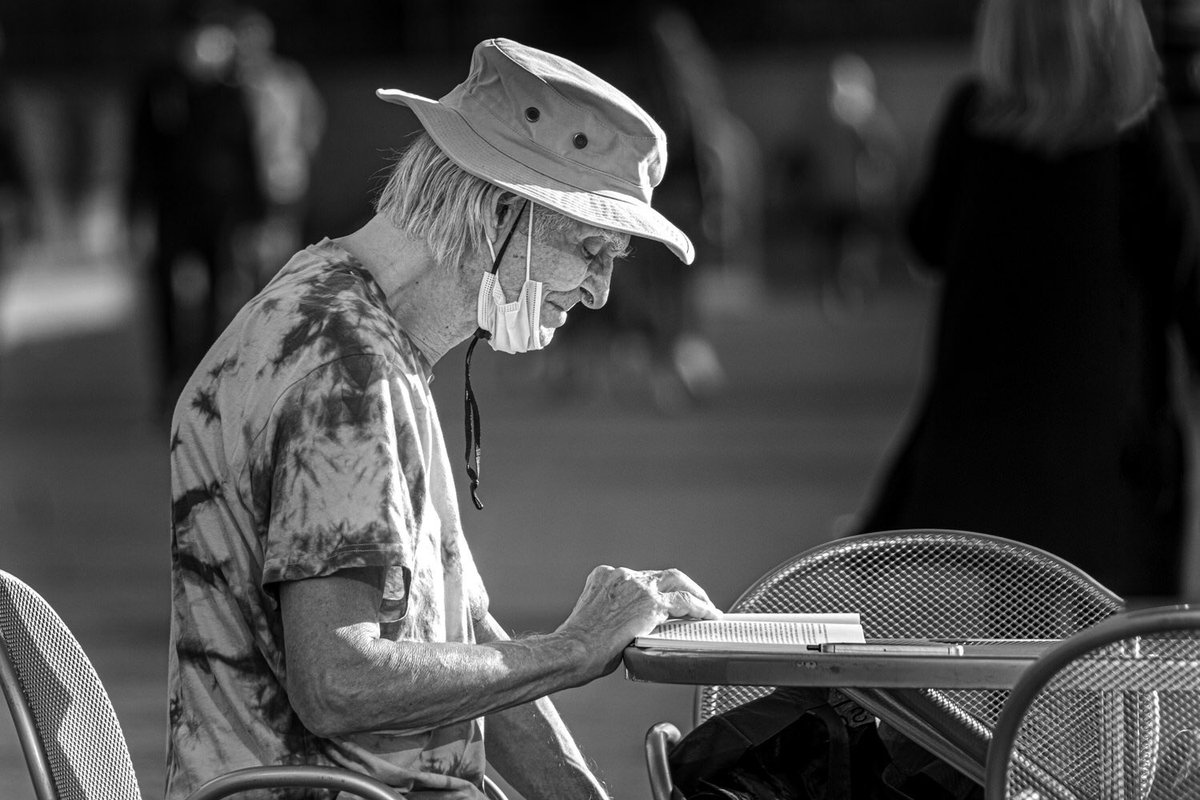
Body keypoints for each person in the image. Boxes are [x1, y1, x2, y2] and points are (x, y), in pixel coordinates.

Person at [167, 37, 720, 800]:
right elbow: (337, 680)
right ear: (498, 210)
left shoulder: (343, 312)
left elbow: (463, 640)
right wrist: (573, 649)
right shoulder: (347, 369)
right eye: (592, 249)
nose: (598, 292)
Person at [852, 0, 1200, 599]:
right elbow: (1187, 279)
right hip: (1110, 461)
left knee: (1001, 661)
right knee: (1118, 667)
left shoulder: (973, 121)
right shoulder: (1133, 133)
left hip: (981, 460)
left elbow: (925, 236)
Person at [128, 9, 265, 410]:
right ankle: (170, 377)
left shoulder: (229, 91)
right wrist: (136, 216)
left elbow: (246, 157)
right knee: (165, 293)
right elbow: (141, 157)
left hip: (219, 212)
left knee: (218, 292)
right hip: (170, 209)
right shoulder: (157, 86)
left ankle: (205, 379)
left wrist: (254, 216)